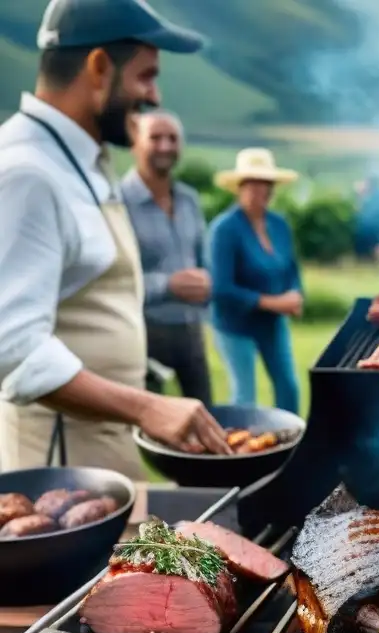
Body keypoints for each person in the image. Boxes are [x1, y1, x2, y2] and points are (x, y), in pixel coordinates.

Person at [0, 0, 229, 477]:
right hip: (58, 471)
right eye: (146, 76)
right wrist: (148, 407)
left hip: (101, 454)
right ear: (99, 66)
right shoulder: (28, 172)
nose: (153, 94)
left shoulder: (79, 161)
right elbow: (13, 346)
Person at [123, 110, 213, 405]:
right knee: (148, 429)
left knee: (206, 416)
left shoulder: (189, 199)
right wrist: (168, 285)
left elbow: (201, 258)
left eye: (172, 138)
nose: (165, 146)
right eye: (155, 138)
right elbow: (112, 282)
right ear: (136, 143)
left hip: (191, 330)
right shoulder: (117, 201)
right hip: (142, 333)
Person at [208, 148, 303, 415]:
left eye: (266, 183)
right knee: (244, 398)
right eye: (253, 183)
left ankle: (292, 447)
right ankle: (243, 450)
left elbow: (291, 268)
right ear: (240, 187)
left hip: (272, 324)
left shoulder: (278, 224)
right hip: (234, 325)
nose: (261, 190)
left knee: (289, 388)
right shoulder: (224, 230)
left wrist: (296, 295)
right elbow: (221, 289)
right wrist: (273, 303)